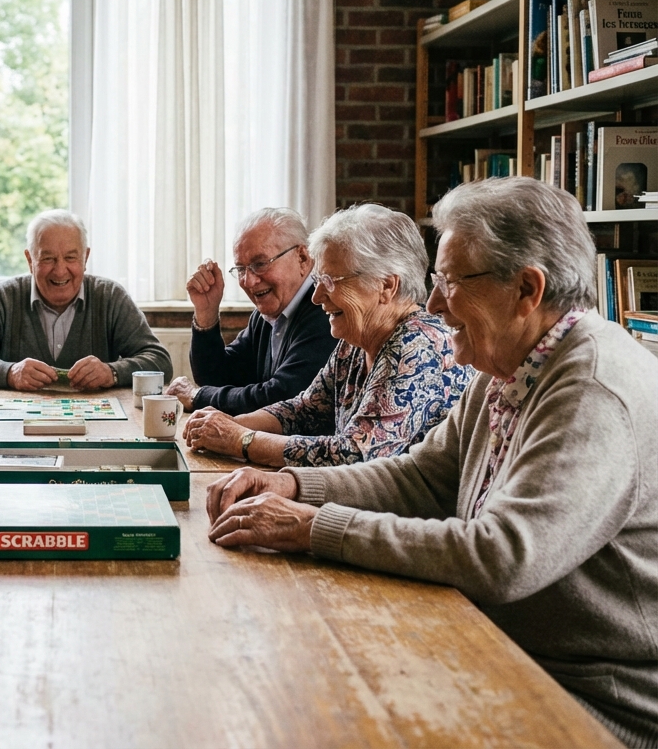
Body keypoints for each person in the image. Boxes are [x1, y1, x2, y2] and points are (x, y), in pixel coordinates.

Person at [205, 178, 658, 746]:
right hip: (504, 650)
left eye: (450, 281)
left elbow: (500, 555)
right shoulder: (512, 366)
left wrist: (312, 527)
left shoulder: (592, 388)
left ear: (526, 289)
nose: (435, 302)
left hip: (590, 703)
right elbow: (420, 475)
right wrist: (294, 485)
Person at [183, 204, 471, 467]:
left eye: (331, 281)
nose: (318, 296)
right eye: (319, 280)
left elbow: (354, 455)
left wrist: (240, 439)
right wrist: (226, 425)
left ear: (386, 286)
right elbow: (303, 409)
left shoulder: (417, 345)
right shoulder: (355, 342)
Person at [0, 209, 172, 389]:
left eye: (71, 258)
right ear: (29, 259)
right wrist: (9, 373)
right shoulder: (2, 299)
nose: (60, 271)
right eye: (48, 258)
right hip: (16, 426)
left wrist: (112, 372)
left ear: (86, 257)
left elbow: (160, 362)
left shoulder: (110, 297)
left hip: (97, 427)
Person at [165, 208, 336, 415]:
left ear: (302, 257)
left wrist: (198, 397)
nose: (249, 281)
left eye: (260, 264)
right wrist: (206, 312)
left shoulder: (325, 311)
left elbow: (282, 398)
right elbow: (217, 377)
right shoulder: (267, 315)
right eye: (241, 269)